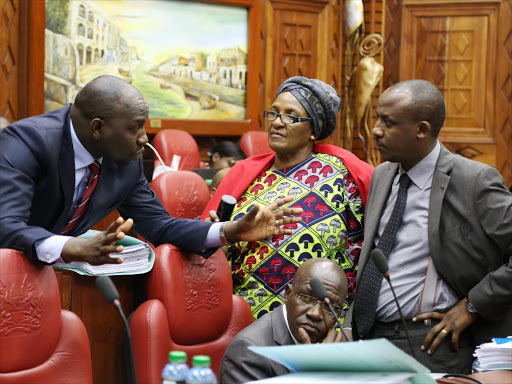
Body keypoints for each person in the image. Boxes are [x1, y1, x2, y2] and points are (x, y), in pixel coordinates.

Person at [0, 75, 303, 265]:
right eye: (135, 128)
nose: (145, 138)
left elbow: (159, 226)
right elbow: (6, 226)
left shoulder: (126, 160)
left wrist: (231, 231)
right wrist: (74, 247)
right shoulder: (26, 143)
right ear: (98, 128)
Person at [346, 79, 512, 373]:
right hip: (367, 336)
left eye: (388, 122)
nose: (375, 130)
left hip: (430, 342)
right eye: (377, 118)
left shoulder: (474, 180)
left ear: (422, 129)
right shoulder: (383, 174)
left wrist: (472, 305)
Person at [202, 76, 374, 319]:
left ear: (314, 130)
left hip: (319, 321)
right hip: (245, 318)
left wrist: (348, 321)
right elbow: (215, 250)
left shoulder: (341, 174)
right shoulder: (245, 176)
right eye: (273, 113)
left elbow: (363, 252)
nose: (277, 123)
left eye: (291, 116)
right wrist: (217, 236)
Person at [220, 258, 348, 383]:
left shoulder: (333, 349)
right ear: (287, 295)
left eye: (329, 306)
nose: (315, 314)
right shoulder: (249, 351)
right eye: (305, 297)